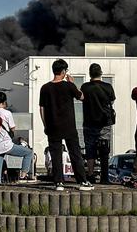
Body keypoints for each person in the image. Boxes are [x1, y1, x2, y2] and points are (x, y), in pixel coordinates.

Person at [39, 59, 93, 191]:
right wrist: (73, 83)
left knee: (56, 155)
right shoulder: (69, 86)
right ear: (63, 71)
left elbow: (42, 108)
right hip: (68, 126)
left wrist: (45, 125)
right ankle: (83, 182)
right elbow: (82, 97)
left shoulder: (45, 88)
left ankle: (58, 183)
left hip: (52, 126)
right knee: (75, 153)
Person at [0, 92, 35, 185]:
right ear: (5, 102)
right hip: (6, 145)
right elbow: (12, 128)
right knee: (28, 153)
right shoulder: (7, 113)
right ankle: (23, 173)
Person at [81, 63, 116, 183]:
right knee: (104, 149)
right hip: (104, 122)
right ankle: (104, 176)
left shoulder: (85, 87)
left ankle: (90, 174)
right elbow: (112, 100)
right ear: (101, 73)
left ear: (90, 74)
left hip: (89, 122)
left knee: (90, 148)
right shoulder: (108, 87)